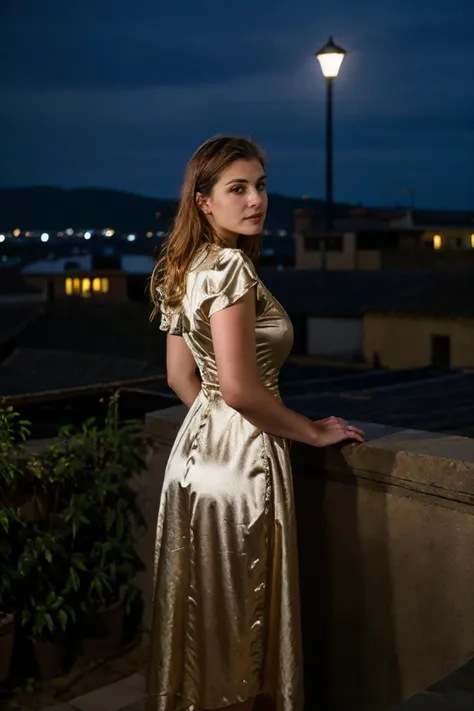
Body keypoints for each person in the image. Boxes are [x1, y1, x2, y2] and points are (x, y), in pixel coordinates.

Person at [146, 135, 365, 711]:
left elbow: (179, 378)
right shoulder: (229, 267)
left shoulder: (182, 265)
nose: (255, 200)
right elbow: (242, 389)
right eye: (237, 188)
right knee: (242, 620)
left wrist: (212, 425)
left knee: (203, 616)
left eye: (261, 186)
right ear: (203, 201)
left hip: (193, 462)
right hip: (242, 465)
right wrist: (312, 431)